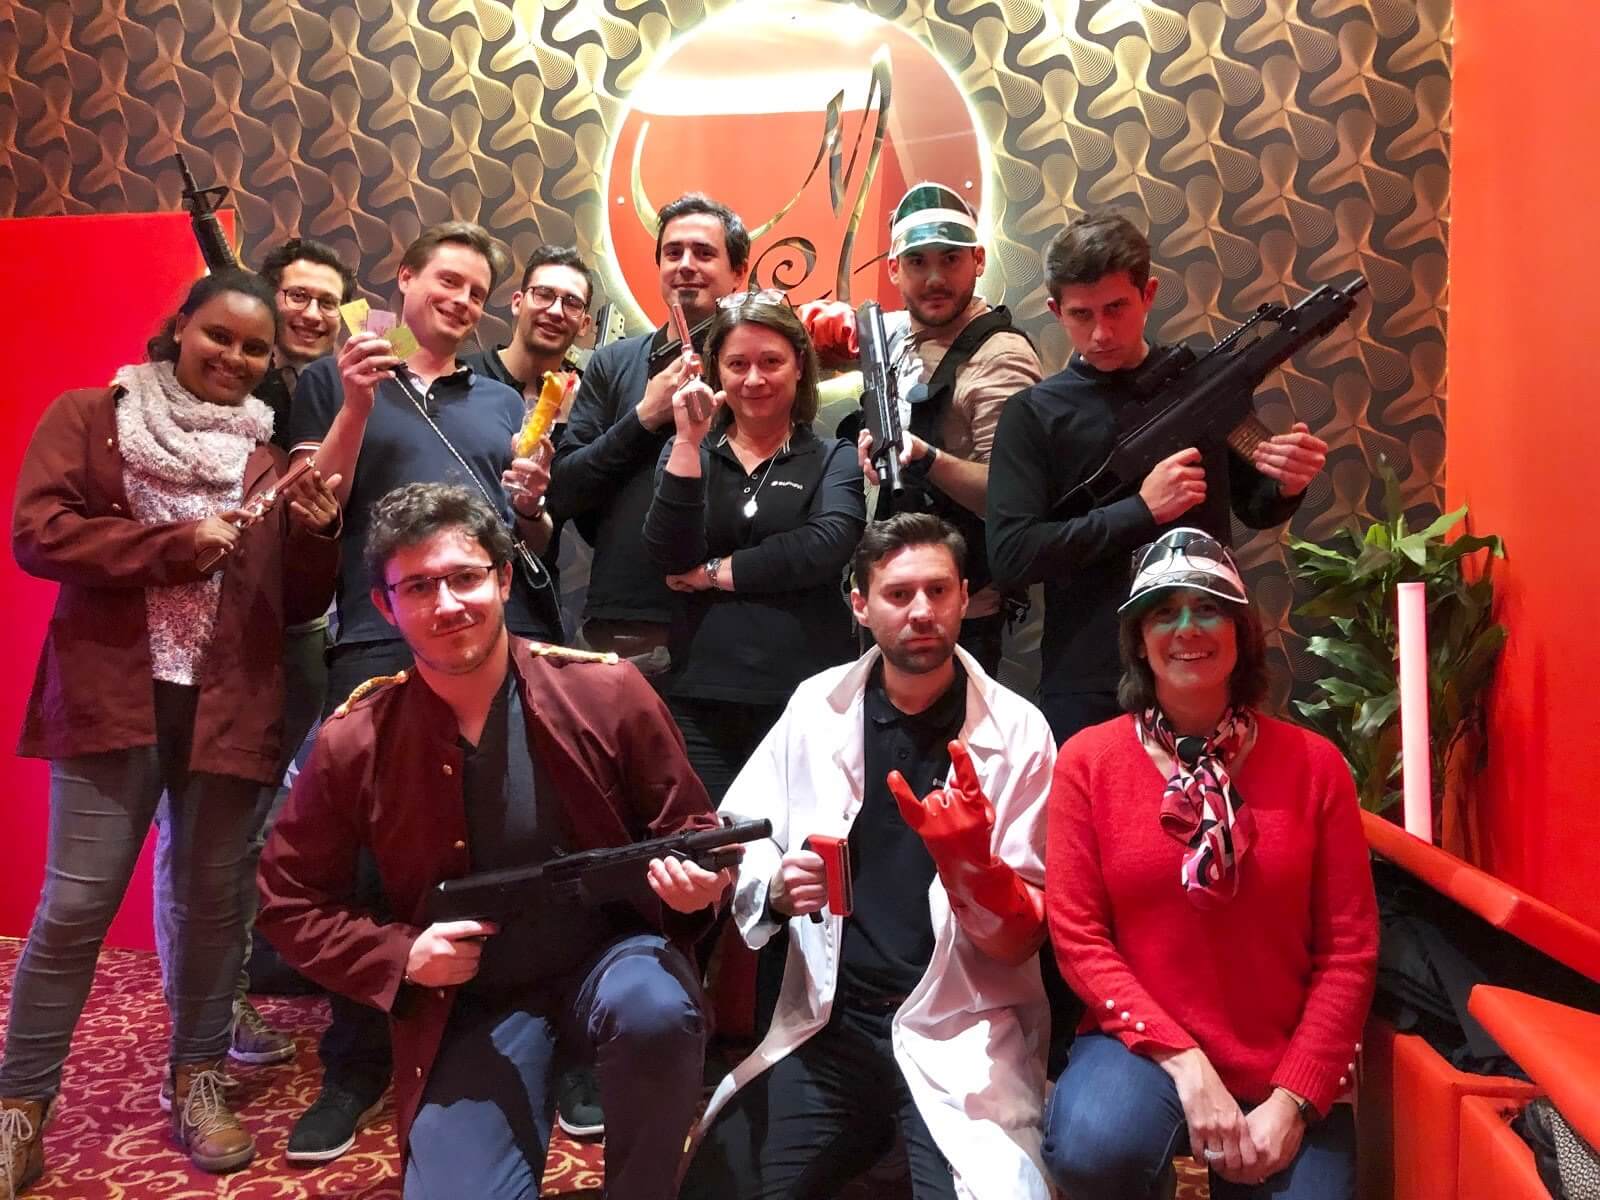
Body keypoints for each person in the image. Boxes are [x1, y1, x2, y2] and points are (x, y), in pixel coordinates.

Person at [255, 483, 727, 1199]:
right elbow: (288, 902)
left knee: (655, 1009)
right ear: (384, 606)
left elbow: (692, 834)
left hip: (614, 966)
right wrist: (400, 956)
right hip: (470, 1001)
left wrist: (697, 890)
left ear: (504, 579)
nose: (447, 604)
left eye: (465, 577)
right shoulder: (356, 739)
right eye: (419, 586)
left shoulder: (607, 692)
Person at [0, 269, 341, 1192]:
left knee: (213, 905)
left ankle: (197, 1080)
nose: (234, 357)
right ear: (180, 326)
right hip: (114, 698)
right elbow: (38, 533)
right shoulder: (92, 416)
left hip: (230, 705)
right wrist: (171, 549)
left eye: (254, 348)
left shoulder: (269, 459)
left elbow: (293, 602)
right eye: (218, 335)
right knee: (75, 910)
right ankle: (20, 1107)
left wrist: (317, 535)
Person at [282, 222, 566, 1162]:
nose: (462, 300)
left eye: (477, 290)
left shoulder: (500, 397)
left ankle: (508, 1027)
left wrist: (532, 503)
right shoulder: (338, 374)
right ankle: (356, 1062)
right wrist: (358, 399)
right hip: (377, 640)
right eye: (447, 279)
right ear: (402, 278)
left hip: (495, 641)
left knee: (502, 838)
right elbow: (316, 502)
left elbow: (522, 532)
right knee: (368, 858)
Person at [680, 513, 1057, 1200]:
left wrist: (972, 864)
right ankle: (874, 1137)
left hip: (963, 1024)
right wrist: (775, 890)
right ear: (860, 605)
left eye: (938, 591)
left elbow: (1025, 935)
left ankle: (897, 1140)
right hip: (835, 1023)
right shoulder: (815, 707)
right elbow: (741, 832)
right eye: (898, 594)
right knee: (718, 1187)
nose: (922, 611)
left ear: (965, 598)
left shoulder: (1020, 732)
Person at [1041, 528, 1378, 1199]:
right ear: (1139, 641)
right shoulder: (1087, 762)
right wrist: (1188, 1065)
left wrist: (1294, 1098)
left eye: (1209, 609)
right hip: (1144, 1047)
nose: (1187, 628)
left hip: (1280, 1053)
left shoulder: (1316, 767)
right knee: (1095, 1146)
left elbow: (1350, 951)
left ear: (1241, 634)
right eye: (1164, 613)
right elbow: (1078, 937)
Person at [986, 212, 1330, 744]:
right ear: (1055, 311)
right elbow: (1012, 556)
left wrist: (1288, 482)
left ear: (1148, 294)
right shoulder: (1032, 414)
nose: (1101, 332)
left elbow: (1254, 505)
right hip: (1089, 674)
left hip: (1202, 661)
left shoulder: (1203, 380)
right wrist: (1140, 511)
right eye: (1081, 314)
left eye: (1116, 308)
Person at [151, 235, 359, 1072]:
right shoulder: (200, 395)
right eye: (297, 296)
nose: (311, 312)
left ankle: (223, 993)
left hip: (305, 634)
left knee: (252, 829)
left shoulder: (331, 389)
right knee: (192, 833)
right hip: (205, 640)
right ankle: (205, 1009)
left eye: (327, 301)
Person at [463, 245, 606, 1139]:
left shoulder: (583, 396)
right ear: (515, 301)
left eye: (571, 303)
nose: (555, 311)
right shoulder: (463, 384)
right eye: (543, 295)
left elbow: (552, 529)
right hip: (453, 628)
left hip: (538, 624)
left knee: (553, 828)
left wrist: (536, 506)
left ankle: (569, 1031)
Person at [806, 182, 1043, 674]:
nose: (935, 278)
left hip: (957, 611)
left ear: (978, 261)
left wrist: (925, 457)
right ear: (894, 269)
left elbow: (1012, 500)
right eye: (917, 262)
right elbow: (819, 333)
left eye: (950, 259)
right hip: (884, 591)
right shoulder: (893, 333)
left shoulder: (1000, 358)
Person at [642, 292, 865, 802]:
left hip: (809, 697)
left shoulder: (834, 456)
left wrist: (711, 573)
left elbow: (825, 545)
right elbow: (669, 555)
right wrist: (687, 441)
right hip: (700, 695)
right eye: (737, 364)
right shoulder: (686, 451)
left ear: (799, 366)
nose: (754, 379)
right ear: (716, 371)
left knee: (805, 844)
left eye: (771, 362)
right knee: (712, 840)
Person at [549, 193, 749, 671]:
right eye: (673, 253)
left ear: (739, 272)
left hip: (731, 618)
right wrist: (644, 415)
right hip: (623, 617)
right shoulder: (612, 363)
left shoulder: (758, 367)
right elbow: (564, 490)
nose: (686, 265)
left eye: (704, 253)